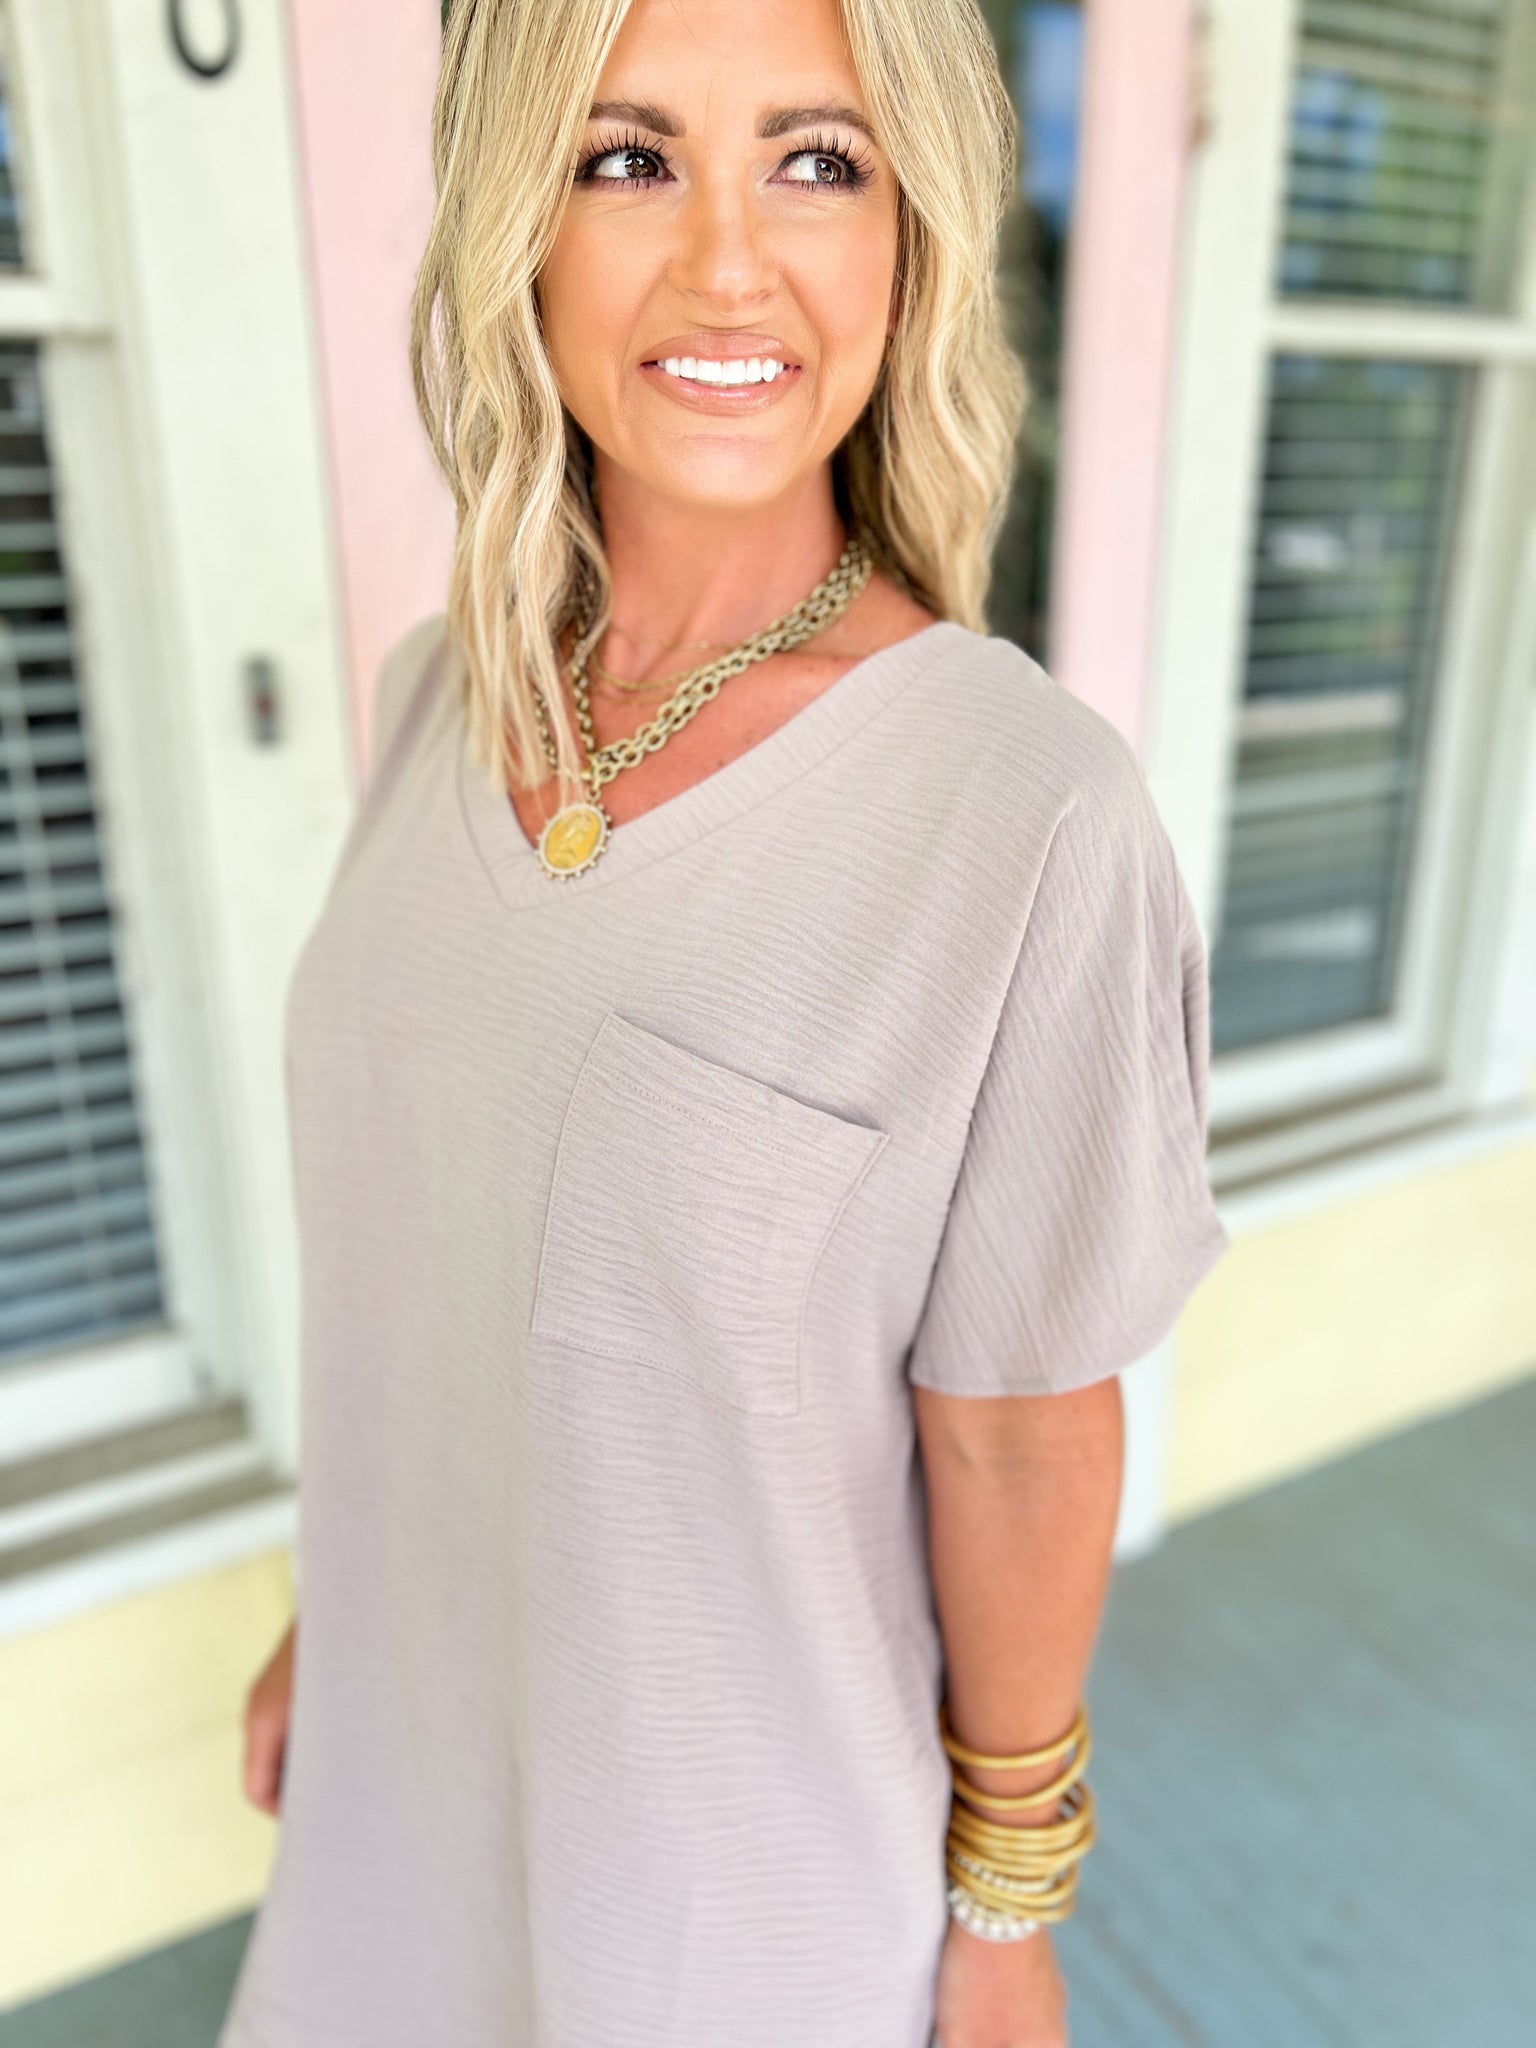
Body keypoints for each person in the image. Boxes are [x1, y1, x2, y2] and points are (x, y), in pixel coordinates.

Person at [220, 1, 1229, 2044]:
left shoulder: (1022, 812)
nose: (727, 264)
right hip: (397, 1804)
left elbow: (1019, 1440)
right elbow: (437, 1237)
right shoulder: (440, 697)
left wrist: (1007, 1910)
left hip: (735, 1895)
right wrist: (347, 1611)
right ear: (519, 226)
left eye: (817, 162)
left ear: (912, 236)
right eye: (627, 160)